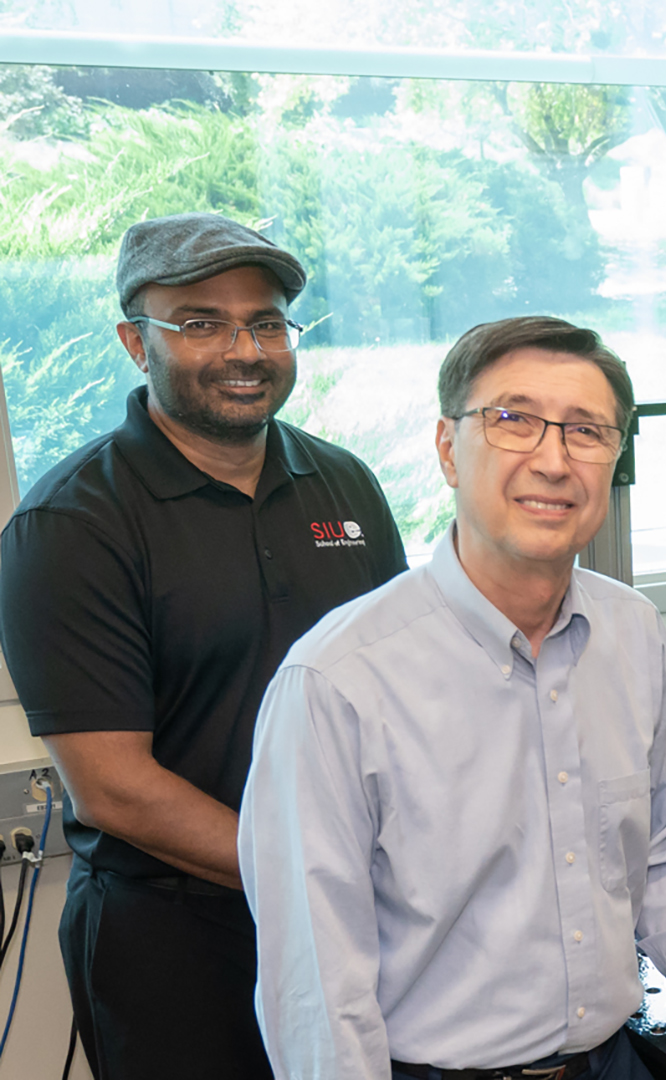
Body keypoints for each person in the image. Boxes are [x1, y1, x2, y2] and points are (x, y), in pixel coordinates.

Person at [237, 316, 666, 1080]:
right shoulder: (336, 683)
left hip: (609, 1063)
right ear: (447, 448)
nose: (554, 461)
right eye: (513, 420)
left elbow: (661, 846)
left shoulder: (633, 633)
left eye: (587, 431)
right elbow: (317, 995)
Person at [0, 212, 407, 1077]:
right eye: (201, 323)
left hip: (351, 918)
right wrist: (313, 876)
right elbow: (115, 788)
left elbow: (403, 694)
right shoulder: (71, 524)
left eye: (267, 323)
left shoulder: (344, 485)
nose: (244, 350)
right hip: (175, 941)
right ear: (135, 343)